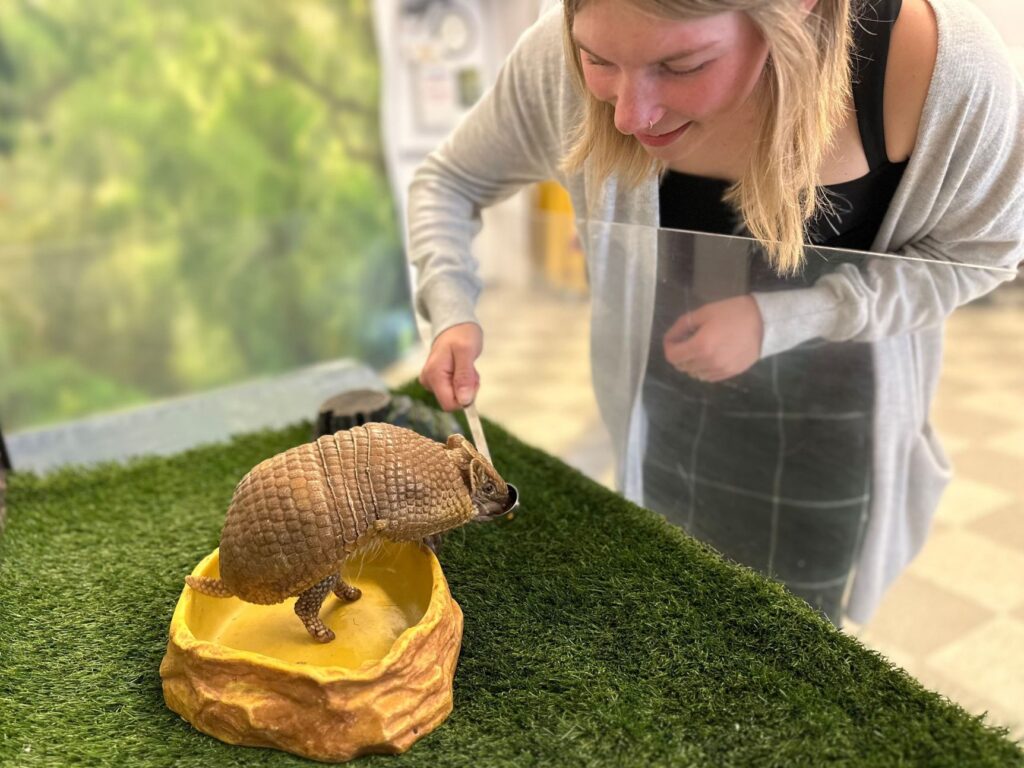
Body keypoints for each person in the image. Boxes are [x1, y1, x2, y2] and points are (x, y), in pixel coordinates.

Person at [407, 0, 1024, 624]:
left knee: (795, 638)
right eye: (597, 60)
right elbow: (450, 181)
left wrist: (787, 318)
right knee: (668, 608)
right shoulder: (556, 56)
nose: (628, 115)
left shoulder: (941, 69)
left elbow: (983, 253)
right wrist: (452, 306)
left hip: (835, 438)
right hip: (654, 420)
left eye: (682, 65)